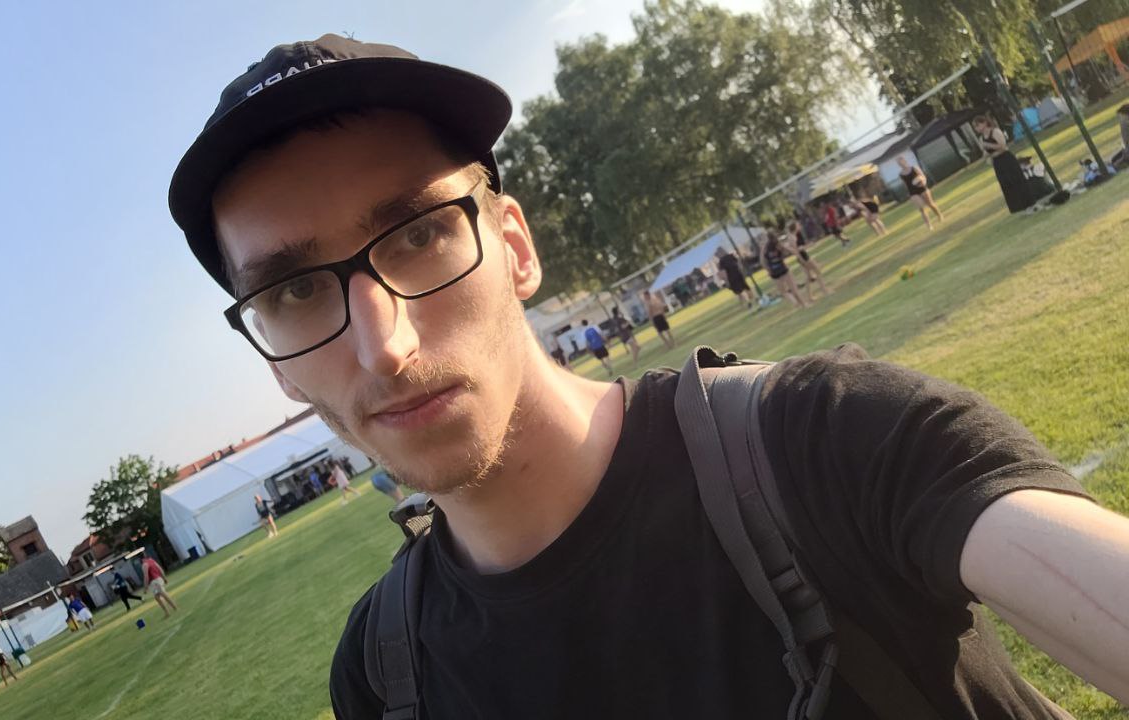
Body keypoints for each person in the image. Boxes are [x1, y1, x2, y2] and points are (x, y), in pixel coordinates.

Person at [169, 34, 1129, 718]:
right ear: (271, 361)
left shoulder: (821, 441)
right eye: (295, 290)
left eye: (419, 234)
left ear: (514, 247)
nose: (384, 347)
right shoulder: (382, 677)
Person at [974, 114, 1034, 214]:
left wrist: (988, 145)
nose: (976, 128)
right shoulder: (981, 139)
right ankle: (1019, 207)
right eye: (975, 127)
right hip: (997, 162)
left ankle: (1029, 203)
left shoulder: (995, 131)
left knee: (1016, 180)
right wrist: (985, 157)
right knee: (1006, 184)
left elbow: (1002, 146)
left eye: (977, 125)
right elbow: (985, 153)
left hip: (1006, 159)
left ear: (984, 123)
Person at [760, 225, 810, 308]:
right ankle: (804, 304)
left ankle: (795, 303)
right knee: (794, 289)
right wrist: (797, 252)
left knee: (783, 292)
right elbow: (791, 251)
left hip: (774, 272)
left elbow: (762, 261)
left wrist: (768, 270)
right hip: (783, 269)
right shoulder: (778, 244)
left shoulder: (764, 248)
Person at [785, 219, 831, 300]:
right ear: (795, 227)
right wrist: (808, 247)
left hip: (801, 257)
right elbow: (797, 250)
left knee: (808, 277)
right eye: (797, 225)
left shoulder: (793, 236)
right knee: (817, 271)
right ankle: (824, 290)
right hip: (803, 257)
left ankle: (810, 297)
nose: (799, 225)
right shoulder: (793, 238)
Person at [896, 155, 945, 230]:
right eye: (899, 163)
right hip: (913, 192)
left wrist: (923, 182)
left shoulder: (914, 168)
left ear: (904, 161)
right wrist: (909, 194)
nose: (901, 164)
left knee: (930, 204)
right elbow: (905, 184)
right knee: (921, 209)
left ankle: (939, 215)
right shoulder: (901, 174)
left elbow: (923, 176)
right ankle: (929, 225)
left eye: (901, 162)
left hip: (922, 188)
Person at [141, 554, 177, 619]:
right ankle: (168, 612)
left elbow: (146, 577)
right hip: (159, 579)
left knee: (163, 594)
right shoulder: (151, 560)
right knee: (157, 597)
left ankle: (173, 608)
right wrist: (164, 578)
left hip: (154, 581)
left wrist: (145, 588)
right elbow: (160, 569)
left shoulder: (144, 564)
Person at [1112, 104, 1129, 169]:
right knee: (1114, 160)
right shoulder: (1124, 125)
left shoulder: (1125, 125)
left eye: (1120, 116)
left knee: (1115, 163)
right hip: (1126, 150)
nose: (1119, 119)